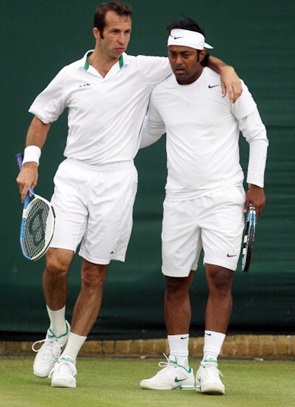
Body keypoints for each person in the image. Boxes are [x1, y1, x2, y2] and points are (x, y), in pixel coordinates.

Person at [16, 2, 242, 389]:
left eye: (127, 33)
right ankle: (56, 332)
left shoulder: (143, 68)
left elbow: (194, 56)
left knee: (93, 272)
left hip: (118, 181)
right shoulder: (70, 75)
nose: (122, 40)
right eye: (115, 32)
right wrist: (32, 162)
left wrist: (227, 68)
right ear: (96, 34)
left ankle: (69, 358)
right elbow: (42, 117)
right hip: (74, 176)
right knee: (57, 263)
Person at [139, 17, 268, 395]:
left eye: (185, 54)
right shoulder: (161, 92)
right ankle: (178, 367)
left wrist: (255, 186)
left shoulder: (229, 86)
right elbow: (147, 133)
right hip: (178, 199)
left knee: (220, 277)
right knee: (175, 282)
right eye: (172, 54)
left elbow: (257, 136)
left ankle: (209, 366)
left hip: (223, 196)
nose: (177, 61)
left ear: (201, 54)